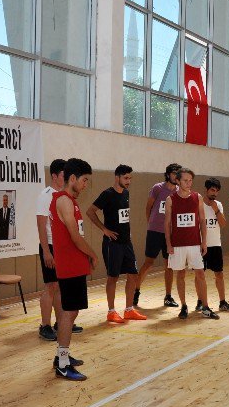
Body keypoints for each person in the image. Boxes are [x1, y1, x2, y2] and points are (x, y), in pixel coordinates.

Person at [49, 158, 97, 381]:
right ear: (73, 178)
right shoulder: (64, 201)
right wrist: (92, 253)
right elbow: (75, 237)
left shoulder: (71, 201)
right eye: (84, 180)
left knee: (73, 312)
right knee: (68, 314)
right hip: (68, 266)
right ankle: (62, 362)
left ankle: (63, 355)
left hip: (75, 265)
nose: (86, 184)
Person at [86, 164, 147, 324]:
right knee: (113, 277)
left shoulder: (126, 193)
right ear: (117, 177)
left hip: (127, 242)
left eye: (130, 178)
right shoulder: (107, 194)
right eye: (126, 178)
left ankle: (128, 310)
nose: (128, 181)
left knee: (133, 275)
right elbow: (90, 211)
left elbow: (123, 217)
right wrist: (104, 229)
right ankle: (111, 312)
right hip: (112, 244)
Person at [164, 168, 219, 320]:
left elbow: (202, 220)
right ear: (178, 181)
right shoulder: (171, 199)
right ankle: (183, 306)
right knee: (180, 274)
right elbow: (167, 224)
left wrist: (204, 242)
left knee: (200, 274)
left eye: (190, 181)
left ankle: (206, 307)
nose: (188, 183)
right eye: (185, 180)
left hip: (195, 243)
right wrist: (169, 244)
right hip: (177, 245)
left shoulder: (197, 197)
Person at [136, 163, 182, 308]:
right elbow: (148, 206)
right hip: (155, 231)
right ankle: (135, 291)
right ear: (168, 174)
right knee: (149, 262)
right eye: (175, 173)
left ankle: (168, 296)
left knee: (169, 264)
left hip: (170, 233)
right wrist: (151, 223)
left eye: (179, 173)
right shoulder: (157, 188)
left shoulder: (179, 191)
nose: (177, 176)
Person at [196, 178, 229, 313]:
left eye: (217, 191)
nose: (214, 193)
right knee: (199, 275)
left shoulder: (218, 205)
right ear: (206, 190)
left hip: (216, 245)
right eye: (212, 190)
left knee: (219, 274)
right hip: (201, 245)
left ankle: (222, 302)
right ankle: (201, 302)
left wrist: (216, 210)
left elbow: (223, 224)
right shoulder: (198, 203)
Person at [36, 159, 65, 341]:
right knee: (50, 286)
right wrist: (46, 251)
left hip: (62, 247)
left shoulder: (63, 195)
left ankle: (60, 322)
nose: (67, 178)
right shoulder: (46, 195)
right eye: (64, 175)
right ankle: (45, 325)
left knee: (60, 286)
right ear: (54, 176)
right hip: (50, 246)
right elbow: (40, 225)